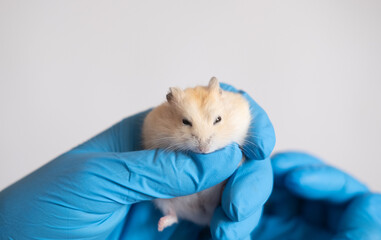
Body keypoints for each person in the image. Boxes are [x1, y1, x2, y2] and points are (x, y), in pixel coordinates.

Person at [0, 84, 380, 240]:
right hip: (172, 207)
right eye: (188, 125)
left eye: (213, 124)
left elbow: (242, 125)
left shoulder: (235, 114)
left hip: (219, 199)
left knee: (241, 199)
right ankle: (173, 216)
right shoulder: (157, 123)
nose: (203, 141)